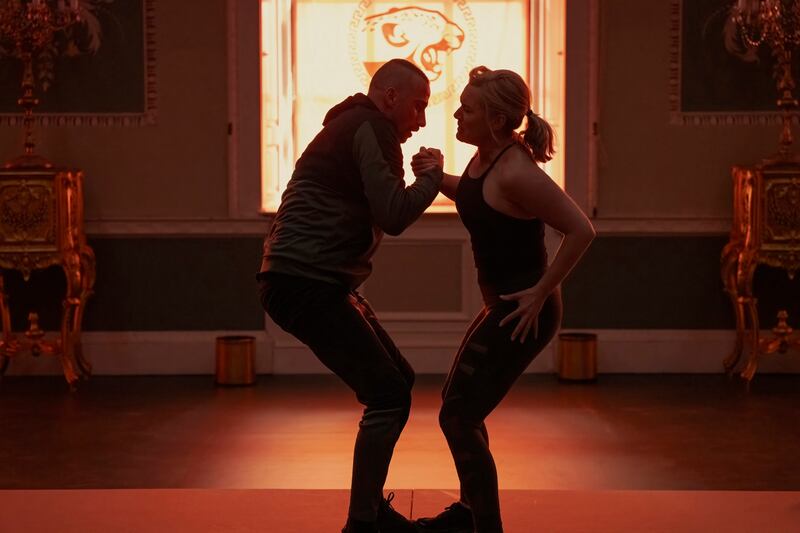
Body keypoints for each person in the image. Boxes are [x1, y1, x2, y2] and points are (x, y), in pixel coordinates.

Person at [256, 58, 442, 533]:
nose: (421, 120)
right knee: (387, 394)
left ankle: (368, 513)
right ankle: (363, 523)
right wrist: (432, 178)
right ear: (391, 97)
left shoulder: (349, 124)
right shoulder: (372, 128)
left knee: (398, 379)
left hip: (309, 280)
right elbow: (395, 214)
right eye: (418, 107)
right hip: (307, 283)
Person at [410, 66, 596, 533]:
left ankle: (481, 524)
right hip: (502, 305)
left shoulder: (516, 170)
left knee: (457, 415)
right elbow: (476, 197)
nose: (456, 113)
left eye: (467, 109)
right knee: (462, 411)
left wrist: (541, 290)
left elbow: (581, 230)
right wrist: (438, 176)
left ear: (495, 120)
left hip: (522, 309)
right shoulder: (486, 160)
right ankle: (472, 514)